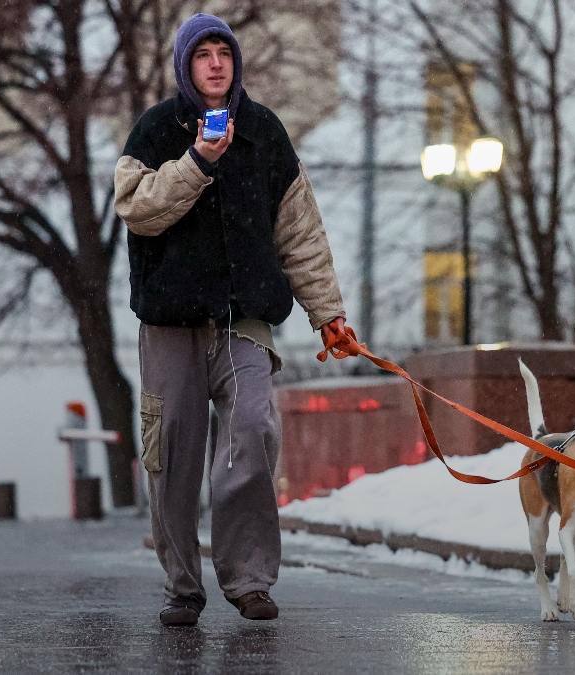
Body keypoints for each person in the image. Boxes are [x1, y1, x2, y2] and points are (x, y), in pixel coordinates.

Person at [113, 12, 352, 627]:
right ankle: (183, 587)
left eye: (223, 52)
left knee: (253, 427)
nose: (215, 63)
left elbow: (300, 234)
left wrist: (328, 315)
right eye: (203, 55)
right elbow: (136, 209)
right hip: (170, 323)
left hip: (242, 319)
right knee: (173, 453)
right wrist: (197, 161)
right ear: (185, 67)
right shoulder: (157, 130)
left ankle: (248, 579)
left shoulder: (265, 133)